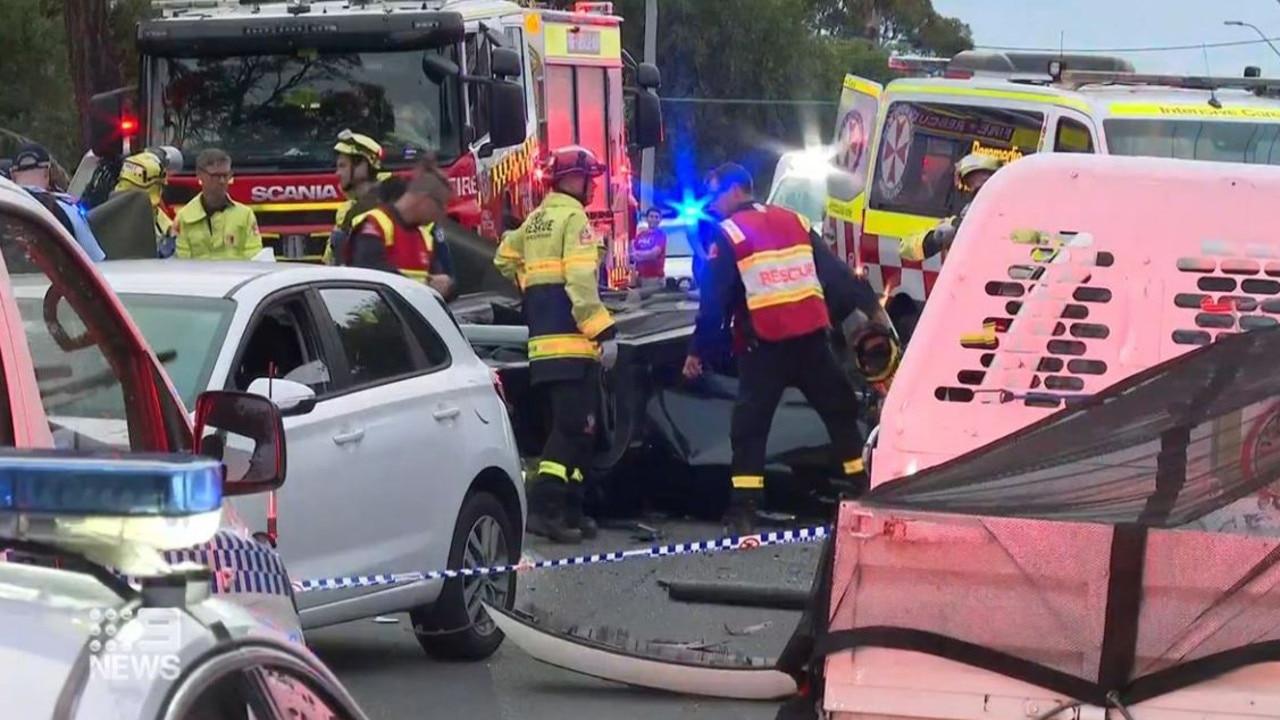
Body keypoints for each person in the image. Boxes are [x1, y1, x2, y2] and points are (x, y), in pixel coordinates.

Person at [681, 163, 888, 537]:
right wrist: (869, 307)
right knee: (840, 410)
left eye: (715, 194)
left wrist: (698, 351)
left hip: (764, 346)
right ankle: (862, 488)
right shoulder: (795, 221)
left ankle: (744, 511)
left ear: (732, 191)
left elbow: (714, 299)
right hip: (811, 339)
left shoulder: (729, 234)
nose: (713, 204)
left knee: (750, 428)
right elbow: (837, 276)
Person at [493, 145, 617, 544]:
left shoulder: (535, 221)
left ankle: (571, 508)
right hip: (573, 343)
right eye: (588, 178)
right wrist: (602, 330)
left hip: (544, 344)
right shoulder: (574, 219)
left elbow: (503, 256)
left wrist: (530, 290)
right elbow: (581, 283)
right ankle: (545, 508)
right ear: (572, 179)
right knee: (572, 430)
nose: (592, 185)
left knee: (580, 430)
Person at [344, 156, 457, 299]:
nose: (440, 215)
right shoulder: (376, 225)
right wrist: (423, 287)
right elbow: (371, 274)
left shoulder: (424, 237)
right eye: (440, 206)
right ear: (424, 199)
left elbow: (439, 278)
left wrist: (447, 286)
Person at [9, 142, 107, 262]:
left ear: (12, 176)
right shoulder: (68, 210)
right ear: (47, 172)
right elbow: (96, 261)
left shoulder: (5, 207)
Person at [900, 152, 1002, 263]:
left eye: (984, 185)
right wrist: (935, 239)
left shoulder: (1010, 219)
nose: (978, 193)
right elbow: (905, 249)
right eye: (971, 185)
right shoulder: (957, 223)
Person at [173, 148, 263, 260]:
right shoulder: (184, 217)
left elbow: (255, 257)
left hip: (237, 276)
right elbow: (180, 262)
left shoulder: (245, 215)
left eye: (226, 176)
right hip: (198, 277)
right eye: (215, 176)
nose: (222, 181)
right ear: (200, 175)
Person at [325, 130, 385, 266]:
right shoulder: (349, 209)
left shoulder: (380, 208)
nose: (337, 173)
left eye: (342, 166)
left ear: (362, 166)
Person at [112, 147, 182, 257]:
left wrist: (172, 233)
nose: (166, 183)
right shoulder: (130, 216)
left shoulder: (153, 212)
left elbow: (168, 227)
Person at [631, 207, 668, 289]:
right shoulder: (640, 235)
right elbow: (633, 253)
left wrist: (638, 255)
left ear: (660, 220)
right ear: (646, 219)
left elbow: (654, 253)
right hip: (639, 277)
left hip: (654, 279)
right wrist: (637, 255)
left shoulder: (661, 235)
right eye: (651, 216)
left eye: (656, 217)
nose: (653, 219)